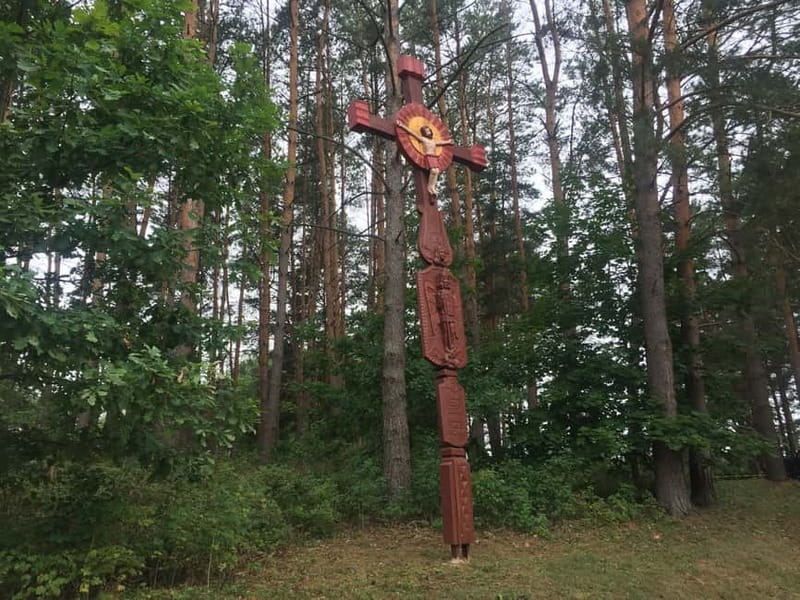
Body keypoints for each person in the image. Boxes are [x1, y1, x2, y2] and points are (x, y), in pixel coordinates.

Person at [396, 120, 453, 197]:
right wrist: (402, 126)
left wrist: (448, 142)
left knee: (436, 171)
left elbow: (441, 143)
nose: (428, 132)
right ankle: (429, 187)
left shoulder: (433, 141)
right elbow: (412, 133)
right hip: (428, 156)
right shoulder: (423, 139)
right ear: (424, 133)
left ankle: (433, 187)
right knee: (433, 170)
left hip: (434, 157)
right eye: (426, 131)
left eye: (429, 130)